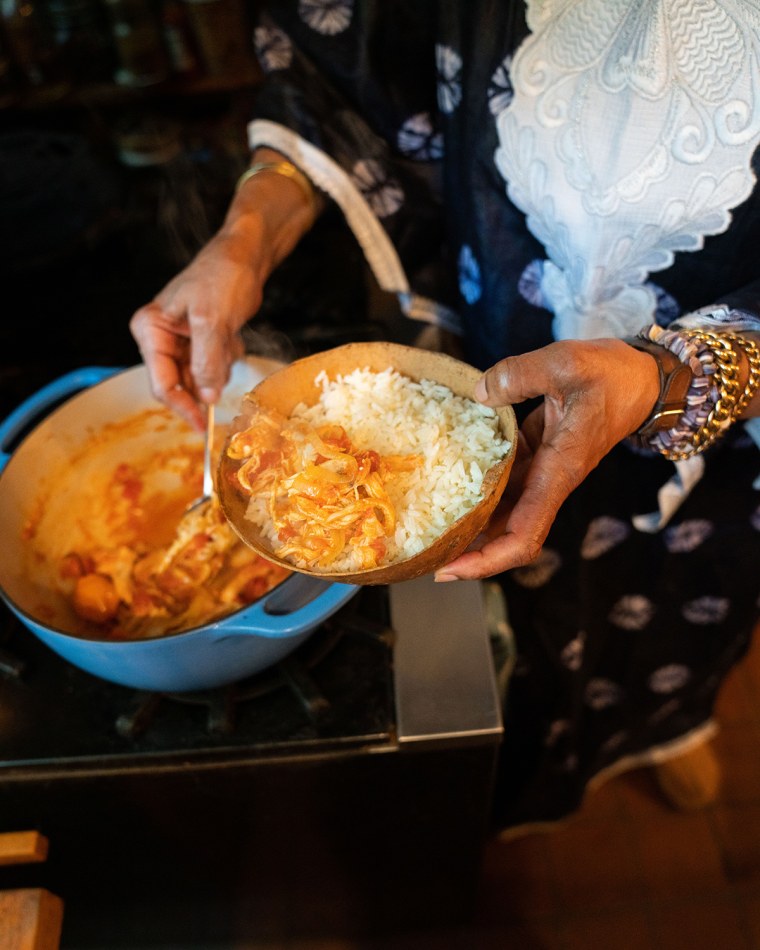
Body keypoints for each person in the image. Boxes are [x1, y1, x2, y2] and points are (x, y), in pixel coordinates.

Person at [130, 1, 760, 834]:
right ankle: (519, 767)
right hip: (492, 330)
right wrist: (245, 234)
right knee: (510, 601)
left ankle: (658, 727)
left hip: (725, 430)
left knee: (662, 608)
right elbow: (339, 66)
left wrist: (684, 374)